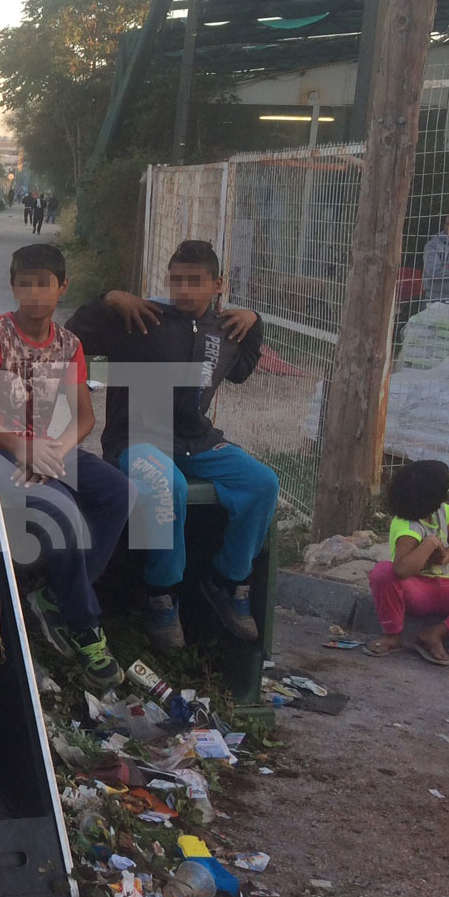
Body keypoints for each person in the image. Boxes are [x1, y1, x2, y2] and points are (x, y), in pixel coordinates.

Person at [66, 239, 279, 652]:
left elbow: (242, 371)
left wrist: (255, 322)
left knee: (261, 483)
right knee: (169, 486)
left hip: (198, 441)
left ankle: (228, 580)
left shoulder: (226, 329)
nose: (184, 290)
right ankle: (160, 594)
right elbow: (74, 335)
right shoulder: (142, 318)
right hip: (137, 438)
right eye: (176, 280)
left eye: (195, 281)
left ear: (218, 284)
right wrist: (109, 299)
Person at [0, 243, 136, 688]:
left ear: (62, 287)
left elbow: (85, 417)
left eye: (44, 284)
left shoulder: (69, 345)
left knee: (119, 491)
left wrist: (55, 451)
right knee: (61, 507)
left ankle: (55, 596)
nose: (34, 293)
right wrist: (20, 447)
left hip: (46, 446)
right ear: (13, 287)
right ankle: (85, 627)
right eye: (25, 284)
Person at [366, 460, 449, 665]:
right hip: (415, 589)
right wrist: (429, 543)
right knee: (383, 572)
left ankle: (435, 634)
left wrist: (444, 557)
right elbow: (401, 570)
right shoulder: (407, 527)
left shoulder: (441, 512)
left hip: (443, 583)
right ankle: (393, 635)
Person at [424, 205, 449, 304]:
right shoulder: (432, 245)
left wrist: (448, 267)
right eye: (448, 224)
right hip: (435, 299)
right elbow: (433, 272)